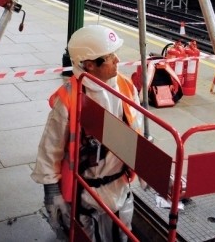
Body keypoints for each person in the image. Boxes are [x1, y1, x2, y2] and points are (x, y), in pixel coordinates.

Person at [31, 24, 143, 241]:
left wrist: (152, 171)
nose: (118, 61)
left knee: (121, 235)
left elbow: (135, 133)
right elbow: (50, 147)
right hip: (84, 193)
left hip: (119, 187)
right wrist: (51, 192)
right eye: (111, 57)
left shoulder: (125, 86)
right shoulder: (69, 99)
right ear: (90, 65)